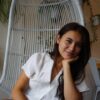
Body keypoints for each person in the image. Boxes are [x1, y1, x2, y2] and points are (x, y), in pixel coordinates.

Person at [12, 22, 91, 100]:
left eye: (78, 45)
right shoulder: (38, 59)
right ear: (58, 39)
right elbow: (17, 90)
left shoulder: (78, 70)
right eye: (69, 41)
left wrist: (66, 66)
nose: (72, 48)